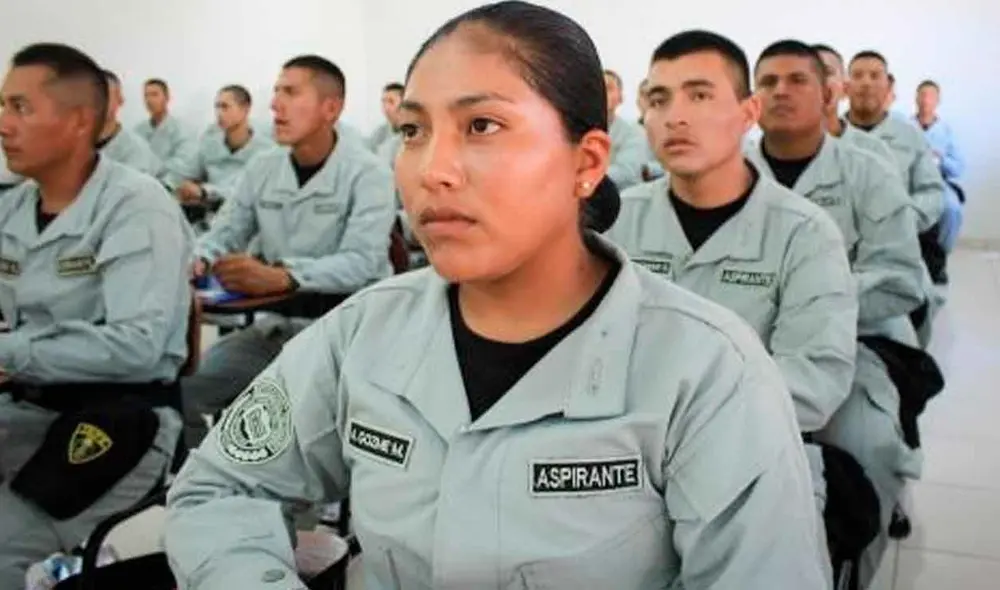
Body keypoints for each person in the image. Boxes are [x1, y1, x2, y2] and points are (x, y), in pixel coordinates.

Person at [164, 3, 828, 589]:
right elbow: (223, 486)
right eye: (413, 132)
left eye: (482, 126)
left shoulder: (709, 371)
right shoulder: (364, 331)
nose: (433, 171)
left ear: (587, 163)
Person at [607, 31, 854, 584]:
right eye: (659, 98)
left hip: (755, 456)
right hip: (621, 453)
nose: (674, 117)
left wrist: (674, 417)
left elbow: (816, 381)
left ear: (748, 113)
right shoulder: (618, 223)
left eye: (698, 96)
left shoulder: (804, 233)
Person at [0, 43, 193, 587]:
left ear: (79, 120)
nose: (3, 124)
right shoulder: (13, 206)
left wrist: (11, 353)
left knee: (2, 549)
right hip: (28, 407)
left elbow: (139, 346)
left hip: (118, 418)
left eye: (20, 107)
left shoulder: (136, 205)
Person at [749, 40, 931, 585]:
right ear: (750, 100)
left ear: (831, 93)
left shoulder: (867, 171)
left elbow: (903, 280)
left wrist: (817, 298)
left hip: (853, 341)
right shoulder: (728, 171)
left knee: (867, 445)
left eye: (797, 80)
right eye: (767, 82)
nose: (781, 92)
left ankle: (852, 569)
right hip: (748, 348)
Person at [180, 54, 396, 448]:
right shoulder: (263, 167)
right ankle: (204, 491)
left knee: (293, 420)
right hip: (275, 328)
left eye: (291, 92)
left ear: (331, 108)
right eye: (276, 91)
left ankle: (307, 505)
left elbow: (363, 262)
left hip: (345, 333)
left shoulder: (369, 173)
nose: (275, 104)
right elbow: (225, 231)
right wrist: (199, 259)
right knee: (185, 390)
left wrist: (283, 275)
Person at [845, 52, 945, 237]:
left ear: (888, 86)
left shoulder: (910, 135)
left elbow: (931, 191)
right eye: (857, 75)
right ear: (846, 86)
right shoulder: (828, 136)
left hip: (898, 241)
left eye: (875, 76)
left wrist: (903, 222)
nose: (866, 83)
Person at [164, 85, 275, 223]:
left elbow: (246, 192)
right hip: (207, 218)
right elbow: (185, 172)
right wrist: (175, 185)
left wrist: (204, 192)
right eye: (217, 107)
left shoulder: (266, 151)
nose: (219, 113)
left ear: (245, 109)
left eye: (225, 107)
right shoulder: (210, 142)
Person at [811, 44, 896, 166]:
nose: (819, 81)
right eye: (802, 77)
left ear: (845, 89)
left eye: (828, 72)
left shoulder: (874, 152)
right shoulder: (777, 147)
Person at [915, 80, 964, 258]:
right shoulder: (905, 127)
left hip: (938, 181)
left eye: (931, 96)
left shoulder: (946, 131)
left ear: (937, 101)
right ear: (916, 98)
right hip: (909, 182)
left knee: (952, 209)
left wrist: (941, 158)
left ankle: (940, 256)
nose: (926, 100)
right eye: (922, 95)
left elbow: (958, 168)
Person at [97, 70, 163, 177]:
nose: (98, 101)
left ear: (120, 100)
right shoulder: (76, 144)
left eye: (105, 95)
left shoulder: (135, 151)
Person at [135, 78, 194, 182]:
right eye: (146, 96)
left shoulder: (181, 129)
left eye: (154, 95)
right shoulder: (138, 131)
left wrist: (156, 172)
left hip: (170, 185)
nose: (149, 100)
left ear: (167, 98)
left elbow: (183, 164)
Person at [604, 69, 648, 190]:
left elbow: (627, 173)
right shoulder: (576, 128)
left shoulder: (634, 132)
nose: (601, 93)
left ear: (620, 98)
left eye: (608, 88)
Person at [368, 82, 404, 152]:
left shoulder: (411, 133)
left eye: (391, 102)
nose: (386, 107)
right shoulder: (381, 131)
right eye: (383, 102)